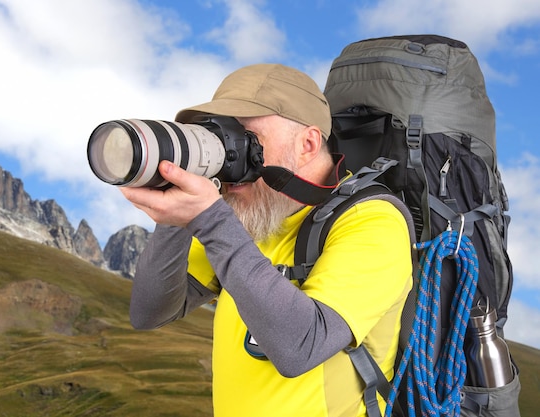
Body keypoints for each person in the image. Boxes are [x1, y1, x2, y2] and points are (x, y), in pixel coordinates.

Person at [120, 63, 412, 417]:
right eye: (220, 137)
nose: (230, 156)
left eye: (247, 139)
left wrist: (210, 220)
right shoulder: (248, 215)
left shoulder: (372, 221)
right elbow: (150, 311)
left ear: (307, 144)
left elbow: (300, 347)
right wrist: (174, 214)